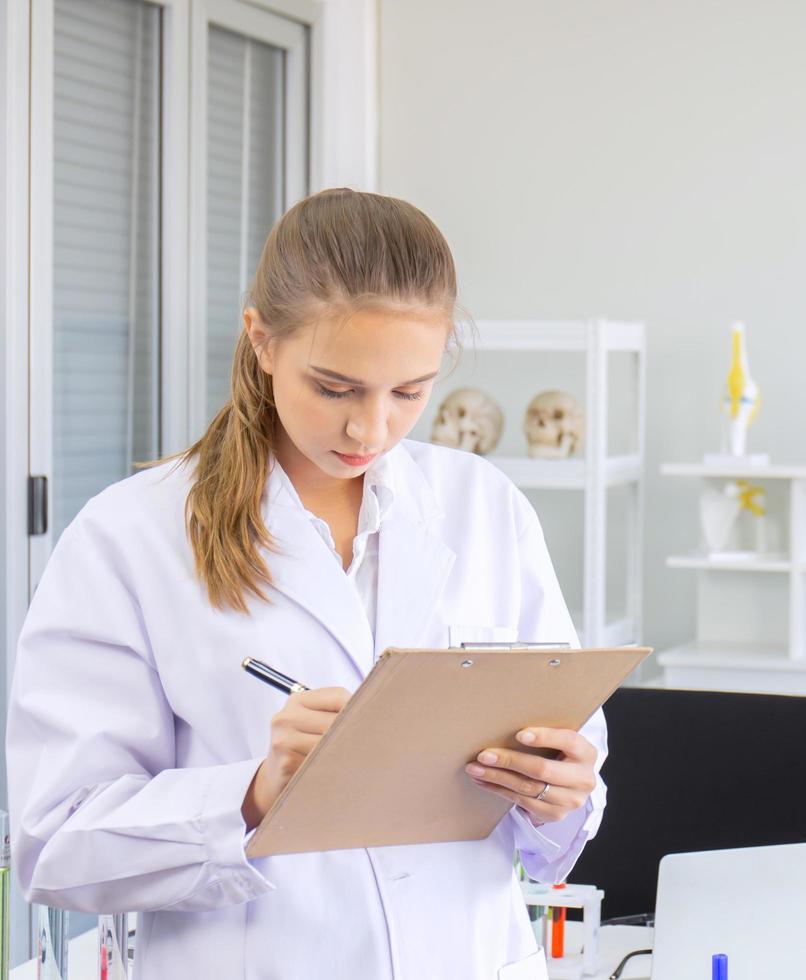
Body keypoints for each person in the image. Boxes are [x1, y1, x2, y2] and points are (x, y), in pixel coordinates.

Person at [7, 189, 601, 979]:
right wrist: (253, 793)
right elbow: (56, 843)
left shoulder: (483, 507)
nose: (371, 430)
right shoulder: (131, 536)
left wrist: (561, 789)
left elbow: (557, 815)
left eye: (409, 392)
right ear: (261, 340)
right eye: (335, 387)